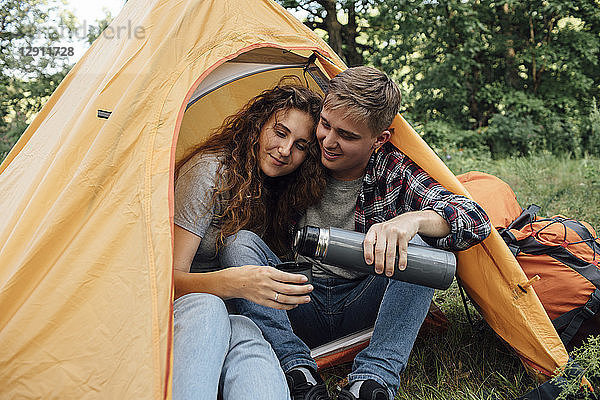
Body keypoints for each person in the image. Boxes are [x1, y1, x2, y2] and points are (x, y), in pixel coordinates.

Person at [218, 67, 492, 400]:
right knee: (238, 243)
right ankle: (297, 372)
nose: (329, 142)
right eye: (326, 125)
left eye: (347, 136)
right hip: (300, 298)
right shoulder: (303, 153)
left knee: (422, 250)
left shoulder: (391, 168)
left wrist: (412, 221)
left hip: (366, 300)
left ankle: (373, 381)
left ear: (379, 140)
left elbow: (475, 219)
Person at [172, 84, 326, 400]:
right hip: (187, 308)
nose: (285, 150)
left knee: (249, 335)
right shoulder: (210, 172)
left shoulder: (275, 188)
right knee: (211, 308)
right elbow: (165, 284)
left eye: (299, 146)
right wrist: (237, 283)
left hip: (234, 310)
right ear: (258, 125)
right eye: (279, 133)